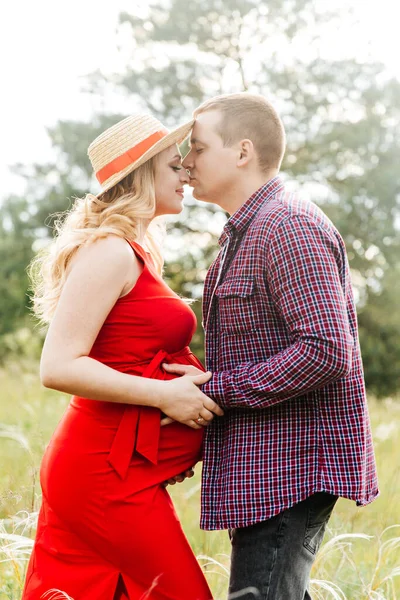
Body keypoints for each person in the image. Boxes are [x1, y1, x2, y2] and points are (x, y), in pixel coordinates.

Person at [164, 93, 379, 600]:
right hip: (266, 465)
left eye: (197, 147)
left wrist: (218, 389)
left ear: (242, 152)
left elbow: (326, 349)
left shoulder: (288, 226)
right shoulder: (245, 231)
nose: (185, 162)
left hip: (294, 465)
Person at [22, 113, 222, 600]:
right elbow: (58, 365)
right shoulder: (109, 251)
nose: (185, 174)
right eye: (174, 166)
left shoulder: (138, 252)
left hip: (122, 470)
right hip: (100, 473)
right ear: (143, 176)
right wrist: (164, 395)